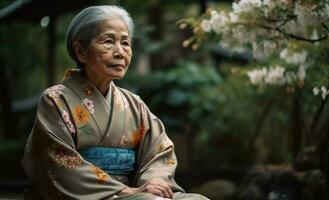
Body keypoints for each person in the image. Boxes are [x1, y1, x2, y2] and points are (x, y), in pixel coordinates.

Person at [21, 5, 208, 200]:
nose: (120, 52)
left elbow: (159, 152)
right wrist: (127, 191)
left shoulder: (134, 104)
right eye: (108, 41)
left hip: (135, 194)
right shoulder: (56, 100)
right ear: (81, 52)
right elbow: (60, 162)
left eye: (125, 43)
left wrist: (149, 185)